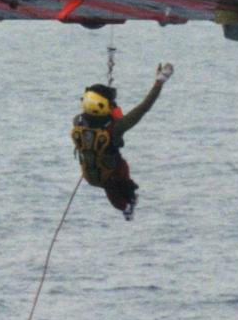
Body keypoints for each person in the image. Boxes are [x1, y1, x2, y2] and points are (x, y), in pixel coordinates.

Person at [71, 63, 171, 219]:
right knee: (122, 178)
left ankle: (127, 205)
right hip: (111, 174)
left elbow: (92, 115)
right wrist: (159, 83)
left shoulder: (78, 121)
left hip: (89, 175)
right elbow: (144, 107)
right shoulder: (116, 127)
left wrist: (111, 111)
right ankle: (128, 204)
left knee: (118, 186)